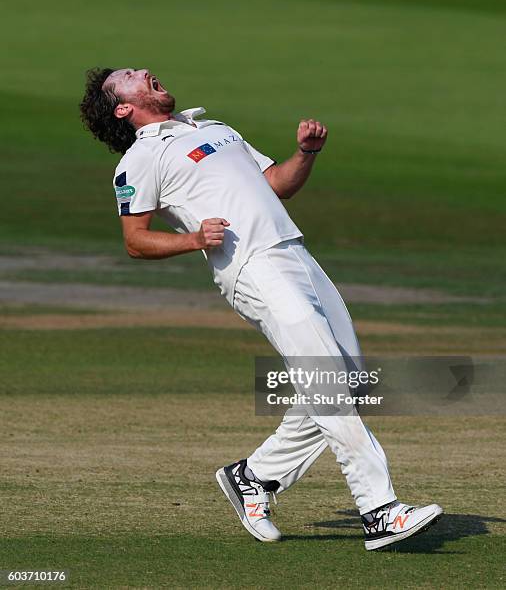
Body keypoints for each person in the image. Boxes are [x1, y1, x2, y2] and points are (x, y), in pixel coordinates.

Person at [80, 67, 442, 550]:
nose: (145, 71)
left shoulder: (215, 129)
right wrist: (192, 239)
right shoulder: (139, 159)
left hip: (295, 253)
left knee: (348, 380)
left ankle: (254, 476)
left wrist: (305, 154)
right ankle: (378, 510)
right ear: (122, 108)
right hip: (251, 267)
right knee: (327, 380)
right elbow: (134, 239)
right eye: (129, 76)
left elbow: (277, 183)